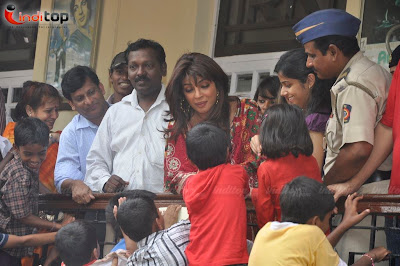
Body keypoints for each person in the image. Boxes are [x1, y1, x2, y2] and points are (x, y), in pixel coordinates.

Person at [292, 9, 391, 185]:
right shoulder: (370, 72)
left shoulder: (354, 84)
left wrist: (325, 187)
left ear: (333, 52)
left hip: (365, 190)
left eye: (312, 55)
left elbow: (358, 150)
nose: (308, 63)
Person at [164, 52, 260, 194]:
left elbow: (258, 164)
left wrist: (208, 180)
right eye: (189, 90)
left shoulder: (247, 111)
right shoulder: (179, 124)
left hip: (246, 209)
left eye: (204, 86)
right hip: (198, 210)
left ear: (218, 84)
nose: (198, 95)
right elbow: (173, 178)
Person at [85, 39, 168, 193]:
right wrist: (104, 182)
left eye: (148, 65)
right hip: (120, 208)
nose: (140, 73)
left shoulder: (178, 110)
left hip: (165, 208)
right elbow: (96, 162)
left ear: (163, 69)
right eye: (133, 67)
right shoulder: (115, 113)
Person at [249, 176, 390, 266]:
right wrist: (372, 256)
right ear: (315, 222)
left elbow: (312, 250)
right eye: (329, 218)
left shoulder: (265, 232)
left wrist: (344, 224)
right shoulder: (312, 235)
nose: (329, 223)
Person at [0, 118, 72, 262]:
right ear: (16, 148)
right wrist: (58, 226)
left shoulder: (25, 157)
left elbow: (47, 141)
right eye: (28, 154)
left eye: (41, 153)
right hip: (6, 248)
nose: (35, 160)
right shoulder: (19, 176)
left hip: (14, 248)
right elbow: (24, 216)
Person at [183, 123, 249, 265]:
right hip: (233, 259)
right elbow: (245, 192)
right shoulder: (237, 173)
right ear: (227, 152)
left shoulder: (189, 185)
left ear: (190, 160)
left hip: (198, 259)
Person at [251, 104, 322, 228]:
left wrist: (254, 194)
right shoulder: (312, 162)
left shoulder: (266, 168)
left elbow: (265, 215)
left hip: (285, 236)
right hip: (315, 233)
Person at [55, 66, 109, 204]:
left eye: (91, 92)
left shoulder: (125, 115)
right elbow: (63, 175)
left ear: (101, 88)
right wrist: (74, 184)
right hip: (96, 205)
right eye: (80, 98)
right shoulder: (71, 133)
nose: (89, 101)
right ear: (72, 104)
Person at [275, 48, 332, 169]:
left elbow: (312, 171)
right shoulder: (313, 113)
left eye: (288, 85)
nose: (282, 92)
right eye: (281, 85)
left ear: (310, 81)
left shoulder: (315, 120)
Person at [2, 81, 62, 193]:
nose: (55, 116)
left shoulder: (60, 137)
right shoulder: (13, 131)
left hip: (50, 205)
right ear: (30, 110)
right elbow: (16, 171)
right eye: (48, 111)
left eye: (57, 110)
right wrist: (51, 138)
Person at [115, 195, 190, 265]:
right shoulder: (178, 234)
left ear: (127, 235)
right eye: (159, 212)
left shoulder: (132, 262)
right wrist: (168, 227)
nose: (162, 214)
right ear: (158, 222)